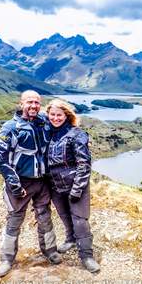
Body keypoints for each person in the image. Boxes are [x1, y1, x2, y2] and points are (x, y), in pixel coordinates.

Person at [0, 90, 61, 277]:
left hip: (42, 182)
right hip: (21, 183)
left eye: (37, 103)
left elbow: (61, 128)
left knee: (45, 217)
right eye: (30, 102)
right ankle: (7, 259)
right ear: (21, 103)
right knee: (15, 220)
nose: (33, 106)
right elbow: (1, 160)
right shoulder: (10, 128)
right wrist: (14, 185)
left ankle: (50, 251)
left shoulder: (44, 123)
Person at [46, 99, 100, 273]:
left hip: (75, 185)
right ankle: (70, 239)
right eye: (52, 114)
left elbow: (84, 164)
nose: (55, 118)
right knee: (64, 215)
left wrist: (77, 189)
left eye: (59, 115)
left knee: (80, 221)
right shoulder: (47, 133)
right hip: (55, 185)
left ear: (66, 115)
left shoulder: (76, 134)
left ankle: (87, 256)